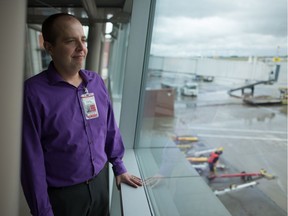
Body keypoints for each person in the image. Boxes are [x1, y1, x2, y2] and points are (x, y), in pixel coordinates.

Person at [21, 13, 142, 216]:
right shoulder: (32, 93)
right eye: (70, 41)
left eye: (83, 39)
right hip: (64, 197)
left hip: (100, 184)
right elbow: (30, 159)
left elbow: (109, 128)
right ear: (49, 47)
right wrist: (42, 211)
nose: (81, 48)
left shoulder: (95, 82)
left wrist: (119, 167)